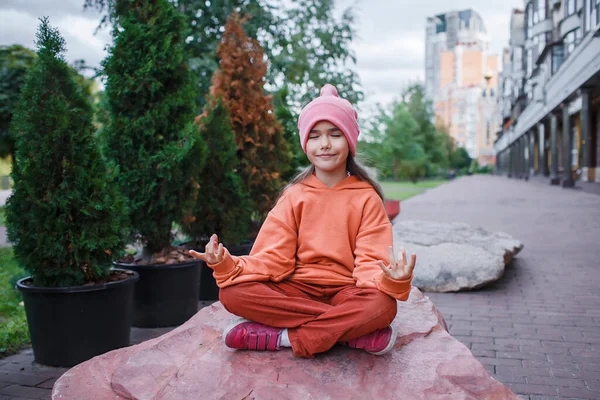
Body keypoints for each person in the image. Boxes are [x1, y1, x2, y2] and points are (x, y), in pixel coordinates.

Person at [190, 84, 416, 358]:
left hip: (347, 291)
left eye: (335, 134)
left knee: (382, 305)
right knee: (232, 294)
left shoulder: (367, 198)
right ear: (305, 143)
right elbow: (273, 258)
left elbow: (371, 263)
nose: (325, 144)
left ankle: (284, 337)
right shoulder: (294, 195)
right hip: (294, 289)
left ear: (350, 141)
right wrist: (226, 264)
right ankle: (349, 332)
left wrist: (392, 281)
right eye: (315, 136)